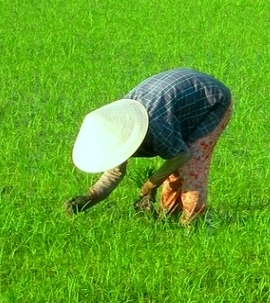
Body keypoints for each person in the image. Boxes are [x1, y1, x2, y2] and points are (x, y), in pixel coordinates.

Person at [65, 68, 232, 225]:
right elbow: (114, 174)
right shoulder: (120, 126)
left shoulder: (154, 126)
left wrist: (150, 185)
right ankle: (168, 219)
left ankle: (193, 224)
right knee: (174, 169)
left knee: (191, 167)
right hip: (177, 103)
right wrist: (88, 199)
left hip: (213, 100)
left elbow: (181, 155)